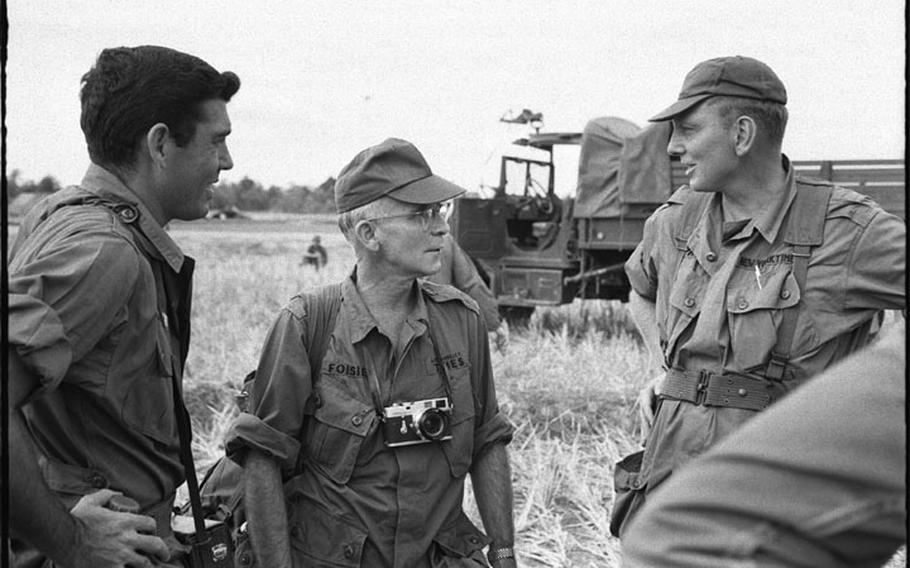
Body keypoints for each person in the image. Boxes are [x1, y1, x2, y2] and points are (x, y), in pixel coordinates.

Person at [612, 55, 906, 536]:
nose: (673, 147)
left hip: (781, 493)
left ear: (742, 134)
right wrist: (666, 371)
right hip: (672, 476)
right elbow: (640, 290)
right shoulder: (674, 221)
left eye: (687, 129)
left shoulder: (848, 231)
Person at [226, 138, 517, 567]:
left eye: (440, 212)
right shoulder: (308, 324)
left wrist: (505, 551)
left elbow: (488, 440)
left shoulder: (461, 321)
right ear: (368, 233)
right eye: (421, 215)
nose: (441, 228)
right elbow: (262, 458)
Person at [7, 45, 239, 567]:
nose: (226, 162)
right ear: (160, 144)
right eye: (216, 141)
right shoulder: (103, 250)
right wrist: (71, 541)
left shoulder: (61, 215)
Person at [622, 323, 906, 566]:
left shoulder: (845, 257)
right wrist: (671, 370)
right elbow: (643, 286)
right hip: (686, 426)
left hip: (779, 422)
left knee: (681, 541)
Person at [426, 233, 502, 333]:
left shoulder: (400, 240)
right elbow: (471, 284)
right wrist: (493, 324)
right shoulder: (444, 239)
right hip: (439, 326)